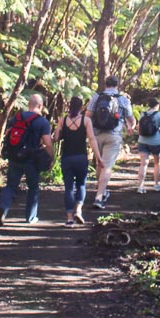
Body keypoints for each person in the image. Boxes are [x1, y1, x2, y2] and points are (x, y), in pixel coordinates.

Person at [0, 93, 53, 225]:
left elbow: (7, 135)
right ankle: (30, 217)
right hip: (32, 160)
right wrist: (51, 158)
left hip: (14, 157)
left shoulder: (16, 118)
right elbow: (48, 143)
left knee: (10, 186)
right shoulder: (42, 122)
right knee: (33, 187)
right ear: (40, 106)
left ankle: (2, 209)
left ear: (29, 104)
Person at [52, 96, 103, 226]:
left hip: (67, 158)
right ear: (81, 107)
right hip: (81, 158)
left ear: (70, 106)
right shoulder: (86, 120)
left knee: (68, 188)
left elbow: (56, 137)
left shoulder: (62, 120)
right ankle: (78, 210)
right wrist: (99, 157)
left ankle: (69, 219)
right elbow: (92, 139)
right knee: (81, 185)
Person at [87, 75, 135, 209]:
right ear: (117, 84)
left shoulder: (96, 97)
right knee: (106, 166)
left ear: (105, 84)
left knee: (99, 163)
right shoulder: (123, 99)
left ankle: (101, 190)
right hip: (114, 136)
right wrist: (131, 126)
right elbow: (131, 119)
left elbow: (88, 115)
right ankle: (99, 197)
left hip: (96, 135)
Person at [136, 96, 160, 193]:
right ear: (157, 105)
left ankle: (140, 186)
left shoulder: (143, 114)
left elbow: (138, 127)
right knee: (157, 163)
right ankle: (157, 184)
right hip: (156, 142)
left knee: (143, 163)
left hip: (142, 141)